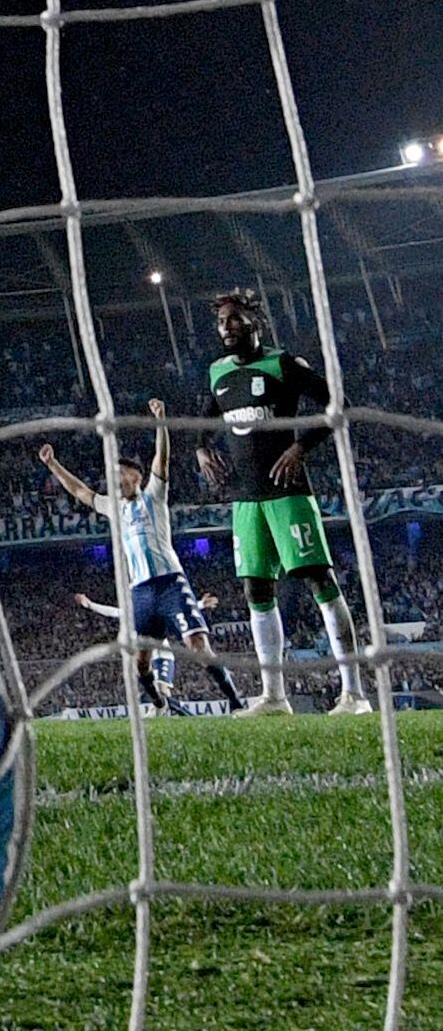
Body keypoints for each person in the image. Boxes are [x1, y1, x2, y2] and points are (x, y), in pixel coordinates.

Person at [197, 289, 368, 716]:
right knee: (256, 588)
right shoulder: (217, 372)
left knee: (318, 581)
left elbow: (338, 406)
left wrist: (301, 447)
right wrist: (200, 448)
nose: (228, 327)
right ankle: (274, 697)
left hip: (288, 494)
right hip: (245, 498)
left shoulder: (283, 364)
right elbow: (205, 417)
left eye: (235, 318)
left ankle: (354, 695)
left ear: (255, 321)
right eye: (222, 322)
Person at [36, 398, 241, 712]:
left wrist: (160, 420)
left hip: (171, 583)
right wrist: (53, 465)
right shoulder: (113, 507)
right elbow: (79, 491)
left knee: (198, 647)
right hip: (141, 591)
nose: (115, 478)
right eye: (113, 473)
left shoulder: (153, 496)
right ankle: (159, 701)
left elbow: (163, 458)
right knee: (140, 663)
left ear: (136, 477)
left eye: (121, 473)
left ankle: (236, 702)